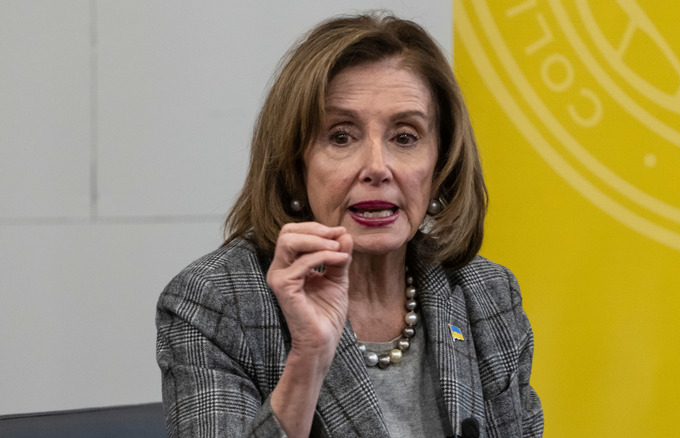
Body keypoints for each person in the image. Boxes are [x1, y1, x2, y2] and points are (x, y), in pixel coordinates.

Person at [156, 12, 543, 438]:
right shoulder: (216, 303)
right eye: (341, 136)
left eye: (405, 137)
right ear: (294, 164)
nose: (377, 168)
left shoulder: (486, 296)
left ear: (441, 163)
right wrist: (308, 359)